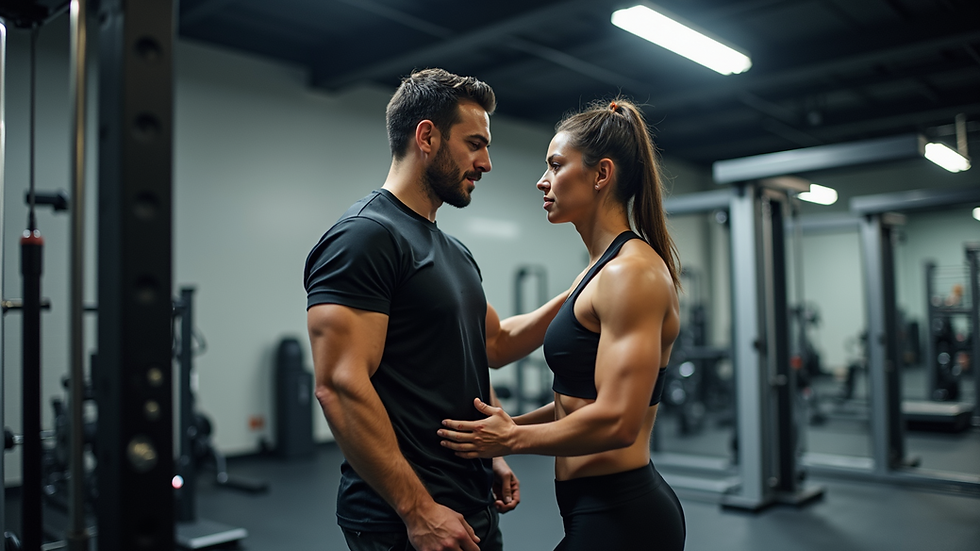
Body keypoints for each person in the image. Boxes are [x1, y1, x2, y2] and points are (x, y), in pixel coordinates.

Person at [305, 68, 567, 551]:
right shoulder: (365, 236)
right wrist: (418, 511)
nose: (486, 162)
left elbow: (493, 344)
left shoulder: (454, 250)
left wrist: (584, 288)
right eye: (474, 143)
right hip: (405, 520)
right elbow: (339, 386)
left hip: (469, 502)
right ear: (426, 136)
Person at [438, 98, 687, 551]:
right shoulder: (595, 272)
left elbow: (617, 421)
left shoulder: (630, 275)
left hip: (624, 518)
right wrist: (501, 431)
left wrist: (513, 439)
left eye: (555, 165)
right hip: (589, 508)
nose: (542, 181)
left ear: (600, 175)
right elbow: (575, 405)